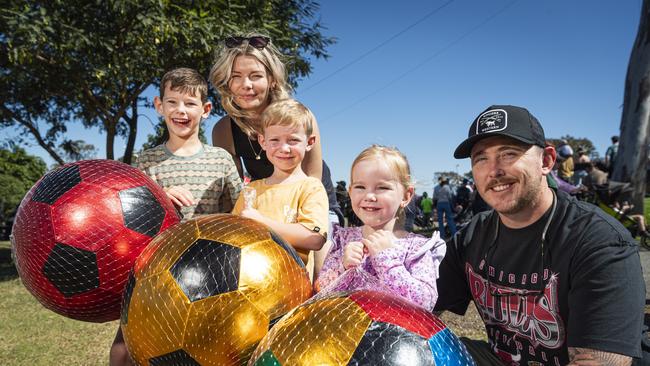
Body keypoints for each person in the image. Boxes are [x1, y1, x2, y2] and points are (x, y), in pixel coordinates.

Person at [434, 105, 645, 365]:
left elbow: (598, 361)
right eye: (480, 159)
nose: (493, 170)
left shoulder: (600, 242)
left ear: (546, 161)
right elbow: (419, 306)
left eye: (508, 154)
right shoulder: (472, 235)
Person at [109, 68, 243, 366]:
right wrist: (159, 196)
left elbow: (240, 213)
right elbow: (133, 215)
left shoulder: (220, 159)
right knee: (126, 345)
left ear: (206, 110)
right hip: (158, 269)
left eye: (190, 103)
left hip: (210, 271)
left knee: (206, 348)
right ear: (159, 106)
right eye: (172, 102)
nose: (181, 110)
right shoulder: (148, 160)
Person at [209, 33, 341, 277]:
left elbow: (312, 181)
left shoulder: (300, 117)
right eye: (236, 77)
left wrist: (317, 260)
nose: (246, 85)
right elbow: (239, 191)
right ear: (227, 83)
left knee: (321, 276)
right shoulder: (223, 130)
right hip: (265, 206)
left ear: (271, 79)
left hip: (310, 206)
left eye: (255, 76)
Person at [316, 145, 445, 311]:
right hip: (346, 333)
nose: (369, 196)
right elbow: (320, 291)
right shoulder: (343, 239)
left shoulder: (416, 248)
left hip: (395, 335)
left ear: (406, 196)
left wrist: (388, 261)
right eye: (360, 187)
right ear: (350, 191)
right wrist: (342, 266)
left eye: (382, 187)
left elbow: (426, 303)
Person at [231, 99, 329, 267]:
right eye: (275, 140)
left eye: (293, 140)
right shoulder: (251, 190)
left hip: (293, 284)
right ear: (263, 142)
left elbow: (315, 239)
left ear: (310, 142)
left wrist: (262, 223)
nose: (284, 148)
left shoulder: (310, 187)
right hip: (251, 281)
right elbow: (231, 233)